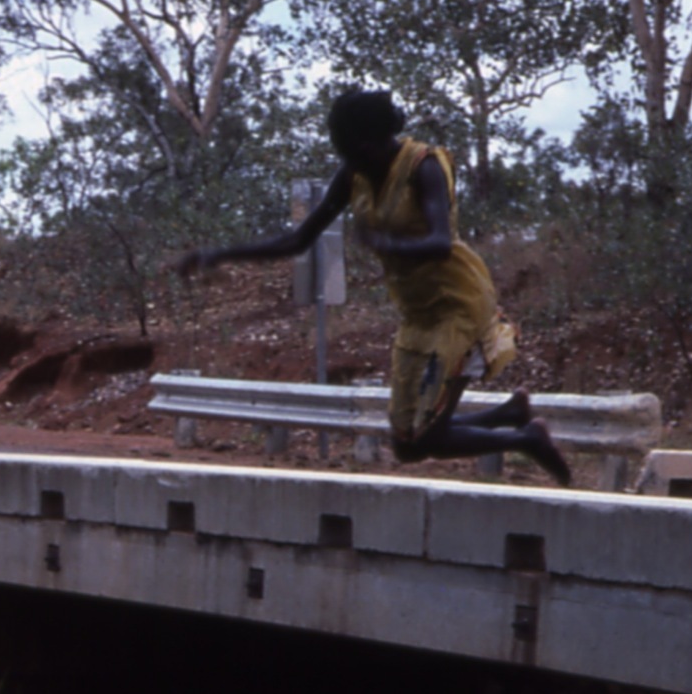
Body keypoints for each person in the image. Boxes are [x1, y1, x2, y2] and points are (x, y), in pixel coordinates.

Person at [178, 88, 572, 484]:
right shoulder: (354, 172)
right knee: (406, 444)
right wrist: (219, 254)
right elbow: (298, 240)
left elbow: (439, 242)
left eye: (359, 152)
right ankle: (510, 417)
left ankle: (526, 438)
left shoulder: (423, 166)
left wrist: (385, 243)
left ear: (377, 141)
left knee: (425, 436)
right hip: (418, 312)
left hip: (459, 305)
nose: (354, 162)